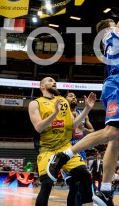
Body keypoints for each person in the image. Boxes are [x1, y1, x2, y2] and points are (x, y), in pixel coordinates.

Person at [46, 0, 119, 206]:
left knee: (116, 139)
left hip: (118, 84)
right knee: (111, 133)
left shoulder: (111, 44)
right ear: (110, 26)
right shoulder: (117, 32)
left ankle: (105, 191)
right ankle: (64, 154)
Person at [28, 76, 96, 206]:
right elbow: (39, 127)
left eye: (54, 81)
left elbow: (73, 125)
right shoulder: (35, 103)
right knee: (47, 183)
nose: (54, 82)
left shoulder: (63, 102)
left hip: (65, 148)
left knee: (85, 175)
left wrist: (87, 108)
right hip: (46, 150)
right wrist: (55, 113)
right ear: (42, 86)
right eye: (50, 81)